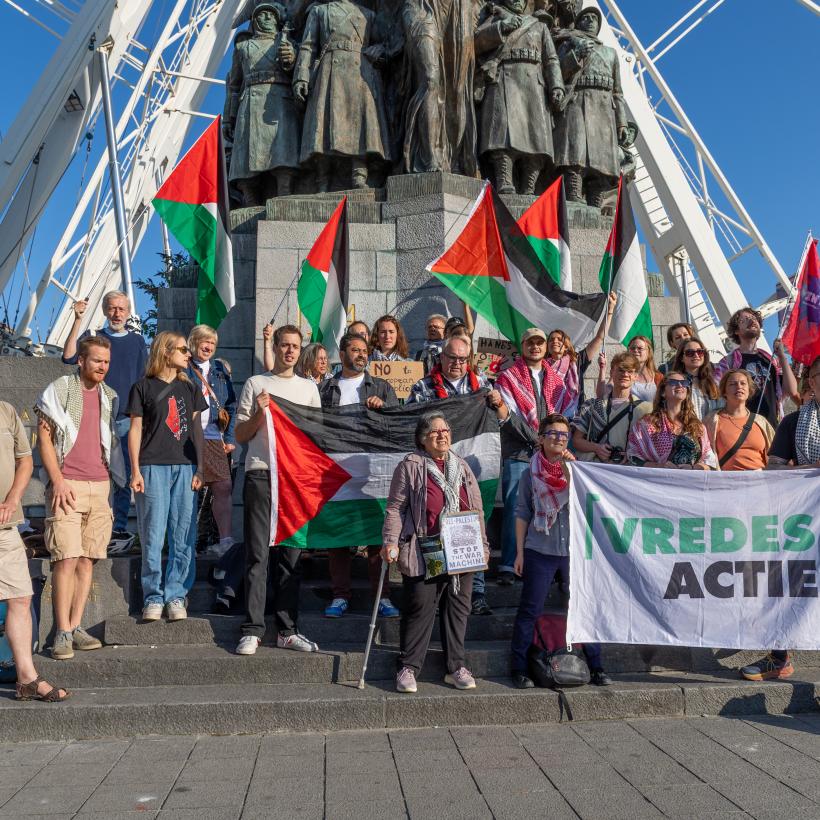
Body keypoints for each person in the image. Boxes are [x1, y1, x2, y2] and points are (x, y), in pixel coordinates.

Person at [382, 412, 489, 693]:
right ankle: (408, 667)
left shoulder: (462, 466)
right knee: (420, 607)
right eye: (435, 432)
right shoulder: (411, 466)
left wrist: (483, 545)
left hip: (462, 546)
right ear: (422, 439)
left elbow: (476, 509)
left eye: (446, 430)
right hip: (426, 548)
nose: (442, 435)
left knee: (458, 608)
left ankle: (455, 667)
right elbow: (395, 507)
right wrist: (391, 541)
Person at [234, 324, 322, 656]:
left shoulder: (309, 388)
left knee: (291, 557)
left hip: (295, 481)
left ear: (301, 351)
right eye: (283, 345)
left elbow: (316, 437)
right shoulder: (256, 384)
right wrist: (260, 411)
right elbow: (241, 435)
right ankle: (253, 628)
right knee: (257, 554)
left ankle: (287, 629)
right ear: (274, 346)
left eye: (294, 346)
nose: (289, 351)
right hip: (261, 475)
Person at [36, 336, 125, 659]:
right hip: (67, 483)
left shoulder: (110, 397)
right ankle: (60, 631)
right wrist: (57, 481)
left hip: (100, 486)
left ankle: (74, 627)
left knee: (88, 559)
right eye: (97, 360)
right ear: (81, 360)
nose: (103, 366)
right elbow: (44, 438)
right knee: (66, 558)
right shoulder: (59, 390)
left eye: (106, 361)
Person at [406, 334, 509, 615]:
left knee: (472, 528)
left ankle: (475, 593)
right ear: (441, 357)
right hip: (434, 473)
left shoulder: (484, 387)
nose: (457, 363)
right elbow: (409, 426)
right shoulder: (423, 387)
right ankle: (438, 591)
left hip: (469, 474)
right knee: (435, 528)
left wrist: (498, 403)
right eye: (452, 357)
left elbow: (504, 418)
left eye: (463, 359)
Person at [510, 414, 611, 688]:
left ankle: (597, 665)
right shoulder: (529, 473)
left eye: (564, 435)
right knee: (530, 608)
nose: (558, 438)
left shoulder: (577, 471)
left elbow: (583, 499)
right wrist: (519, 552)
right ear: (541, 438)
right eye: (553, 433)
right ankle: (519, 666)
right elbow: (522, 513)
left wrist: (569, 466)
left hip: (572, 551)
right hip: (539, 548)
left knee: (582, 606)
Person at [739, 355, 820, 681]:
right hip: (803, 521)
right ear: (810, 381)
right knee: (788, 584)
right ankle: (778, 656)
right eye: (819, 374)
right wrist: (811, 470)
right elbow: (772, 468)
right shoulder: (793, 423)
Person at [319, 332, 400, 619]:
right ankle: (340, 595)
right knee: (339, 538)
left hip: (373, 471)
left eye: (365, 350)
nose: (361, 354)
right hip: (337, 472)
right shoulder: (326, 389)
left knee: (379, 536)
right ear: (342, 355)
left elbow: (396, 427)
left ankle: (383, 595)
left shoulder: (381, 387)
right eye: (355, 350)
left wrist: (382, 411)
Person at [127, 333, 206, 622]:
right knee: (153, 532)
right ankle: (153, 596)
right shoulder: (142, 387)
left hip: (185, 466)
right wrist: (134, 469)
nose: (189, 353)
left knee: (183, 533)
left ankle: (176, 595)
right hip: (151, 465)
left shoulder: (191, 388)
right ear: (166, 351)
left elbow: (197, 430)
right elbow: (135, 430)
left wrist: (201, 467)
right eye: (184, 349)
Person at [61, 291, 147, 553]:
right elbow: (68, 357)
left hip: (124, 418)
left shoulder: (137, 342)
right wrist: (77, 320)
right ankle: (87, 524)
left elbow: (144, 379)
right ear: (105, 310)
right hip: (93, 416)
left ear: (128, 311)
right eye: (112, 308)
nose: (117, 314)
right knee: (93, 472)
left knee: (121, 478)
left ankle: (118, 527)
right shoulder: (94, 338)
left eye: (121, 309)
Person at [1, 400, 69, 700]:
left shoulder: (6, 410)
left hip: (6, 524)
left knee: (21, 596)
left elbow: (25, 459)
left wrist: (14, 498)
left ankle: (27, 679)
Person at [494, 327, 567, 584]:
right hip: (519, 451)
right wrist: (539, 441)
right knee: (516, 505)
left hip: (551, 455)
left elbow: (563, 415)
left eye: (540, 342)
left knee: (553, 505)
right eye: (530, 342)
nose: (535, 346)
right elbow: (508, 416)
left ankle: (544, 562)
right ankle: (507, 564)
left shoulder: (558, 380)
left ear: (546, 347)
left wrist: (549, 443)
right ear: (522, 345)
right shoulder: (508, 377)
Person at [186, 325, 237, 558]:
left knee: (223, 486)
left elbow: (231, 406)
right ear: (193, 342)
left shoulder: (219, 370)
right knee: (189, 490)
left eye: (212, 344)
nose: (207, 347)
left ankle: (225, 540)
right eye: (204, 341)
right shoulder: (183, 367)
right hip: (187, 438)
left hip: (214, 436)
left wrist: (229, 438)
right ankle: (186, 541)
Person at [713, 307, 798, 427]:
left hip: (773, 427)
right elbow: (715, 393)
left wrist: (782, 356)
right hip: (743, 428)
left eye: (754, 318)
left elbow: (792, 390)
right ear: (736, 331)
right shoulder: (728, 362)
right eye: (745, 319)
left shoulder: (771, 359)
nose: (752, 321)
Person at [626, 371, 716, 469]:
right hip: (659, 481)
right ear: (663, 392)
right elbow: (632, 456)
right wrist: (659, 466)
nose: (680, 385)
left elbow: (710, 462)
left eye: (684, 383)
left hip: (690, 482)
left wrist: (693, 468)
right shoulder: (647, 424)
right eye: (673, 382)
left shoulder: (697, 426)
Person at [572, 352, 651, 463]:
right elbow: (576, 441)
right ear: (612, 372)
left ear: (635, 376)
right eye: (620, 370)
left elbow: (651, 445)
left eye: (630, 371)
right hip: (596, 469)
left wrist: (632, 454)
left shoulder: (645, 410)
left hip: (629, 471)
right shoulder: (591, 406)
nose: (625, 374)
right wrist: (597, 448)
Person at [545, 291, 616, 416]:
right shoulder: (541, 366)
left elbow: (599, 337)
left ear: (566, 346)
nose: (555, 341)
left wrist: (610, 310)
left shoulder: (577, 361)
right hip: (547, 419)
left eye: (559, 339)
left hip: (574, 418)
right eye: (551, 340)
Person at [705, 370, 773, 472]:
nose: (739, 387)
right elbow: (705, 455)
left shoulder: (761, 422)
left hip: (759, 482)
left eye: (743, 383)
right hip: (727, 483)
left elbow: (776, 456)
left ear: (749, 390)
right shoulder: (712, 420)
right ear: (724, 391)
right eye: (732, 384)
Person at [671, 337, 723, 420]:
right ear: (681, 358)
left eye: (700, 352)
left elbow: (722, 408)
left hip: (712, 430)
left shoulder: (714, 381)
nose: (696, 355)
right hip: (686, 431)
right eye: (689, 353)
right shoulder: (674, 383)